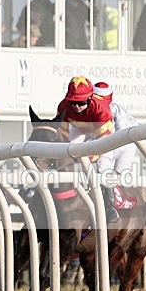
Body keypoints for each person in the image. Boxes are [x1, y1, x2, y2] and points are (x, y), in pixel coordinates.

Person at [56, 76, 117, 221]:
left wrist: (87, 159)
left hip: (102, 133)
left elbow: (103, 142)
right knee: (67, 155)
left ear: (90, 98)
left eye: (81, 102)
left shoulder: (101, 109)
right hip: (79, 129)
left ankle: (111, 207)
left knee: (103, 167)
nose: (77, 106)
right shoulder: (63, 107)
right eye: (74, 102)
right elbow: (62, 133)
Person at [91, 81, 137, 176]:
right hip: (109, 142)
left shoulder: (117, 111)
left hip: (128, 141)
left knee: (118, 170)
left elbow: (123, 140)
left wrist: (106, 156)